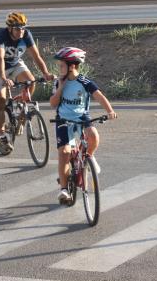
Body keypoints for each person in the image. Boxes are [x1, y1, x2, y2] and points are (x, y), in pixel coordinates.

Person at [49, 47, 117, 202]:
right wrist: (60, 88)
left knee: (93, 136)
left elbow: (99, 96)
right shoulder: (58, 82)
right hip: (63, 120)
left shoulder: (84, 82)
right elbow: (53, 104)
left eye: (62, 66)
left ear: (72, 66)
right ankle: (64, 189)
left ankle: (88, 158)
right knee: (65, 153)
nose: (59, 69)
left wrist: (110, 111)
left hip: (82, 117)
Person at [0, 12, 53, 153]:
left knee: (30, 82)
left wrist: (46, 73)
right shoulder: (1, 36)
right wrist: (4, 78)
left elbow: (36, 56)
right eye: (18, 28)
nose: (21, 31)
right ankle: (1, 134)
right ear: (10, 28)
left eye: (23, 28)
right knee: (0, 102)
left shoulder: (26, 35)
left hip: (16, 64)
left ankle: (21, 111)